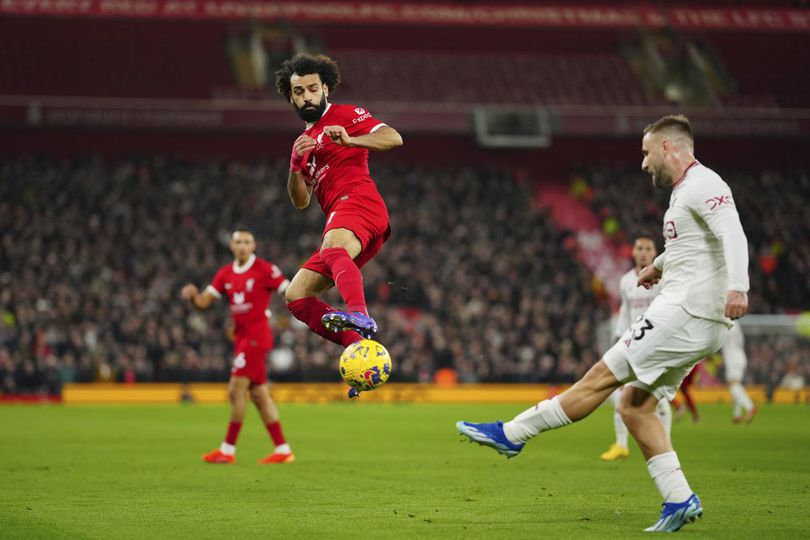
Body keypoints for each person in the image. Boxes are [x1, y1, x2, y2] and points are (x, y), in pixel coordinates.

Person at [457, 115, 749, 532]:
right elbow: (694, 247)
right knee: (635, 406)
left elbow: (732, 235)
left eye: (647, 153)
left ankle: (512, 433)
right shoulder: (686, 192)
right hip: (695, 316)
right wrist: (659, 266)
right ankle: (679, 498)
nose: (644, 163)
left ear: (668, 147)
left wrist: (739, 287)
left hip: (685, 311)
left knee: (599, 377)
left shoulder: (705, 184)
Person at [275, 53, 403, 367]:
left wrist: (351, 140)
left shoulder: (346, 114)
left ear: (326, 89)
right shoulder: (302, 142)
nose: (307, 95)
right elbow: (301, 201)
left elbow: (393, 137)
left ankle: (359, 315)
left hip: (359, 202)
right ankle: (358, 349)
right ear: (291, 97)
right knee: (296, 296)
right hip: (341, 217)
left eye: (312, 88)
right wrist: (294, 165)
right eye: (299, 91)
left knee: (331, 246)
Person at [181, 229, 294, 464]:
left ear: (254, 246)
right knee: (259, 395)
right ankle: (283, 449)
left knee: (235, 390)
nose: (242, 246)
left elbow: (290, 290)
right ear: (231, 247)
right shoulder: (225, 274)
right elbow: (204, 302)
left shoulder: (264, 269)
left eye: (247, 242)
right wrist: (193, 297)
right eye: (238, 242)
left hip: (257, 336)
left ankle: (228, 450)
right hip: (241, 338)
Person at [600, 235, 673, 462]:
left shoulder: (663, 279)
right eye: (639, 248)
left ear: (655, 253)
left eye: (647, 248)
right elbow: (625, 312)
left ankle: (665, 444)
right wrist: (619, 339)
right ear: (633, 252)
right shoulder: (625, 281)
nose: (643, 252)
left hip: (658, 344)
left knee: (657, 397)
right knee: (621, 391)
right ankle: (621, 445)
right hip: (633, 343)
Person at [722, 322, 757, 423]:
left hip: (732, 357)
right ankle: (736, 415)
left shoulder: (726, 321)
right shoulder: (736, 323)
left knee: (733, 386)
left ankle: (750, 407)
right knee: (736, 385)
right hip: (740, 355)